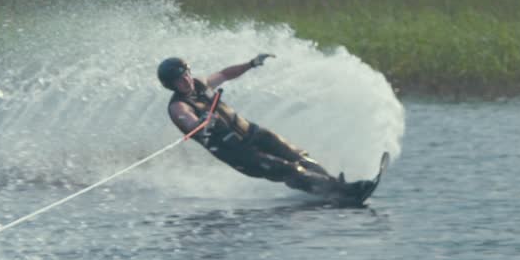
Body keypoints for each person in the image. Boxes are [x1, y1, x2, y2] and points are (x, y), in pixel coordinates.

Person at [158, 55, 371, 198]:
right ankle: (337, 192)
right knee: (289, 170)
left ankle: (335, 184)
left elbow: (224, 74)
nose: (186, 80)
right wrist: (204, 123)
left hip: (252, 133)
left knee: (299, 156)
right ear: (171, 85)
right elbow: (189, 121)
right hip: (237, 153)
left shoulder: (200, 84)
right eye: (179, 80)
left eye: (186, 74)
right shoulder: (178, 107)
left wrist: (250, 64)